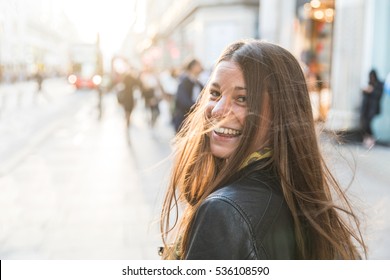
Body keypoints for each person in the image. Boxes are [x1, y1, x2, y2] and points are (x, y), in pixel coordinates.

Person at [160, 39, 367, 260]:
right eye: (215, 93)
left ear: (281, 113)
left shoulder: (223, 211)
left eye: (242, 99)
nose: (218, 110)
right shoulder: (295, 190)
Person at [172, 58, 204, 132]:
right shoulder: (183, 82)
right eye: (198, 65)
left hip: (194, 119)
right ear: (192, 67)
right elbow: (183, 101)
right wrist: (198, 107)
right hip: (183, 119)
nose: (201, 67)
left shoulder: (199, 83)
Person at [360, 69, 384, 148]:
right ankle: (367, 138)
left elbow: (378, 95)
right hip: (366, 107)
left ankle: (371, 138)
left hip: (373, 108)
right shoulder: (369, 83)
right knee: (364, 123)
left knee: (368, 123)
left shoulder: (379, 84)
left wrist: (371, 90)